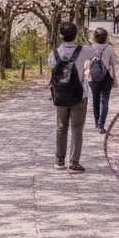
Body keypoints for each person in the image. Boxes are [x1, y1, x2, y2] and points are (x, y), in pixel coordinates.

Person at [48, 21, 93, 172]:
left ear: (60, 36)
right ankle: (74, 162)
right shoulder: (85, 51)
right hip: (80, 95)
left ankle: (59, 161)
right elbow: (95, 58)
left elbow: (53, 70)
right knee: (77, 129)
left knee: (61, 127)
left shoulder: (53, 54)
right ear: (76, 35)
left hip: (60, 96)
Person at [85, 26, 118, 132]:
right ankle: (101, 125)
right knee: (104, 100)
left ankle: (96, 122)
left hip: (93, 76)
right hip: (106, 76)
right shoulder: (109, 48)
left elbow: (85, 62)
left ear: (94, 36)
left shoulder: (89, 48)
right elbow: (115, 61)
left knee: (95, 100)